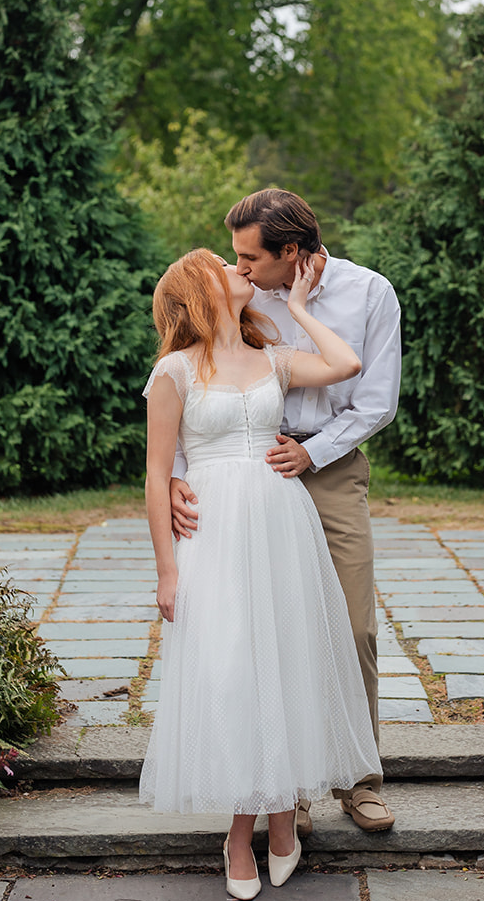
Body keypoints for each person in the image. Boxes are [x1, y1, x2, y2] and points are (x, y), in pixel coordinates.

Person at [140, 247, 380, 901]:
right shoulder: (174, 372)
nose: (240, 270)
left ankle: (283, 822)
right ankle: (238, 833)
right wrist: (167, 572)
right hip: (215, 532)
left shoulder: (272, 356)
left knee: (286, 661)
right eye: (224, 266)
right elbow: (158, 476)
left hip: (281, 523)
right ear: (199, 291)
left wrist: (298, 307)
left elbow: (346, 365)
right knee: (234, 668)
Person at [171, 189, 401, 835]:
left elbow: (376, 399)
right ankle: (285, 791)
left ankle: (359, 784)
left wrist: (314, 455)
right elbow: (189, 381)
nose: (239, 268)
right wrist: (175, 478)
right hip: (240, 478)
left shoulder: (369, 293)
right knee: (265, 632)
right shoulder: (233, 293)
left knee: (352, 627)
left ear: (291, 252)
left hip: (327, 470)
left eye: (249, 258)